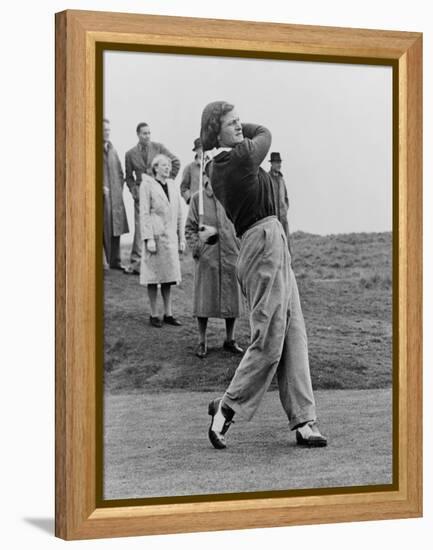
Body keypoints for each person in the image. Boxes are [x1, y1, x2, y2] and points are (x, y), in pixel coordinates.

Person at [200, 101, 327, 449]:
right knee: (269, 341)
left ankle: (304, 421)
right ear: (217, 134)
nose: (240, 127)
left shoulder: (239, 158)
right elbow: (265, 133)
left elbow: (257, 139)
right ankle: (226, 408)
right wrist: (236, 130)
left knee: (294, 335)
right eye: (231, 124)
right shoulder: (229, 162)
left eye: (240, 122)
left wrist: (230, 125)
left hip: (276, 243)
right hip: (260, 244)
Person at [185, 161, 244, 359]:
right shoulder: (197, 200)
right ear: (205, 177)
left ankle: (230, 339)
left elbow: (241, 224)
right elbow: (190, 228)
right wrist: (198, 248)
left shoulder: (232, 197)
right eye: (212, 174)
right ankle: (202, 341)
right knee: (204, 300)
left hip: (230, 255)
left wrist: (239, 246)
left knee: (232, 300)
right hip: (207, 257)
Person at [125, 122, 181, 274]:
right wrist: (133, 190)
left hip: (156, 193)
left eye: (149, 133)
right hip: (140, 194)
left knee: (159, 224)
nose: (147, 136)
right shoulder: (130, 154)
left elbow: (175, 162)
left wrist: (167, 181)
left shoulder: (159, 147)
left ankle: (160, 259)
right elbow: (128, 177)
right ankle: (136, 263)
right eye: (144, 133)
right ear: (138, 135)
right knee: (140, 225)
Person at [139, 154, 185, 328]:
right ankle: (153, 313)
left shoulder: (173, 186)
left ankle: (168, 313)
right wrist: (148, 238)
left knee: (168, 277)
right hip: (155, 238)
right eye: (164, 165)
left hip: (170, 238)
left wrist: (181, 238)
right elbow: (144, 213)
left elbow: (179, 213)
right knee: (153, 276)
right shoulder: (147, 185)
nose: (168, 168)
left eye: (169, 165)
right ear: (155, 168)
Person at [103, 118, 129, 270]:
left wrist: (118, 189)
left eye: (108, 130)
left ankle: (115, 261)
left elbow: (120, 172)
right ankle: (103, 262)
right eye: (104, 130)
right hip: (100, 199)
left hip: (115, 198)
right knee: (102, 230)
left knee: (116, 228)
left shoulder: (112, 150)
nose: (107, 133)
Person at [268, 152, 291, 251]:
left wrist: (284, 210)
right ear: (272, 164)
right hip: (272, 220)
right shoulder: (267, 179)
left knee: (285, 247)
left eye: (279, 162)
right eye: (277, 162)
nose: (279, 165)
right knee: (272, 247)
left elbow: (286, 198)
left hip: (282, 220)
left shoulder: (282, 180)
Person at [180, 138, 203, 204]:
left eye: (205, 148)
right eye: (200, 148)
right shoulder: (189, 168)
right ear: (196, 150)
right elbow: (183, 188)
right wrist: (190, 200)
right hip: (197, 205)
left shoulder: (213, 165)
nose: (202, 150)